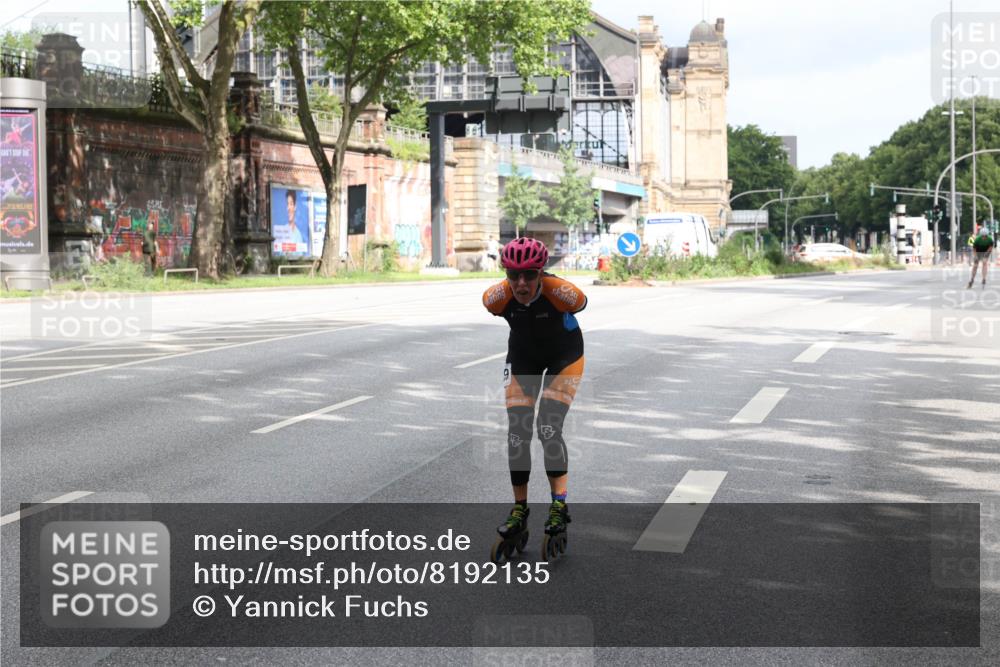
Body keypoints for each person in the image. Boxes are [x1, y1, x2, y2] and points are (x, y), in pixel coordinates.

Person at [481, 237, 587, 562]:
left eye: (529, 274)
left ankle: (558, 506)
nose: (522, 283)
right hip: (523, 357)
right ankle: (520, 509)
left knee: (548, 428)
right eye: (514, 275)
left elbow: (581, 303)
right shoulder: (495, 298)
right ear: (507, 274)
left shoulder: (560, 292)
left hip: (564, 356)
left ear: (541, 273)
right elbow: (496, 300)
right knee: (518, 432)